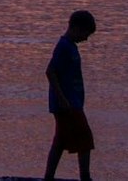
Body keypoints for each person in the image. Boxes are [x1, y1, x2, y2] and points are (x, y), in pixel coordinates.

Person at [43, 10, 97, 181]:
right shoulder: (64, 46)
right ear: (75, 28)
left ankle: (48, 177)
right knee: (85, 139)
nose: (86, 38)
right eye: (85, 34)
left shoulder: (70, 46)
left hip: (72, 102)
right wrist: (62, 99)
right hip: (67, 105)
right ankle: (85, 176)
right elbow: (50, 72)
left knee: (59, 141)